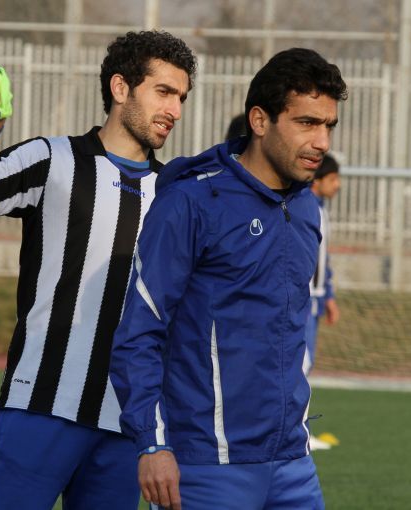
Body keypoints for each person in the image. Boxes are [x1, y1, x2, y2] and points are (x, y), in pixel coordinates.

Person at [0, 31, 196, 510]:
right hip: (40, 405)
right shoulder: (52, 158)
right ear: (120, 88)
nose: (174, 109)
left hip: (124, 423)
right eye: (164, 92)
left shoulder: (177, 195)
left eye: (181, 97)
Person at [110, 47, 347, 510]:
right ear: (259, 120)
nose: (322, 141)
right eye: (306, 123)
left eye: (328, 126)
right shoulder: (191, 202)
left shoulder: (306, 207)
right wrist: (152, 443)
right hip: (206, 465)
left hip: (292, 463)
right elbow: (140, 332)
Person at [304, 153, 342, 376]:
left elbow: (323, 259)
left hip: (315, 297)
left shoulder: (321, 209)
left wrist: (328, 296)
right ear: (316, 180)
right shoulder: (305, 208)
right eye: (333, 179)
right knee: (301, 363)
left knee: (306, 362)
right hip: (303, 298)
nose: (338, 185)